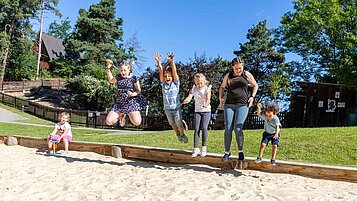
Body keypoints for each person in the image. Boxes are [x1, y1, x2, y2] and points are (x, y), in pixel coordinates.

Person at [219, 57, 258, 162]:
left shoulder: (246, 75)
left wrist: (252, 97)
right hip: (229, 104)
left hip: (242, 105)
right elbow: (222, 87)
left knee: (238, 128)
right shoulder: (228, 75)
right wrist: (221, 97)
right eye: (236, 68)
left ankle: (240, 151)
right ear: (233, 67)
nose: (238, 70)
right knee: (228, 128)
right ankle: (227, 152)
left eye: (240, 68)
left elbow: (255, 85)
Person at [153, 52, 188, 143]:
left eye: (169, 76)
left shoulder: (176, 84)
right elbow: (161, 72)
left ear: (172, 77)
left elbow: (175, 72)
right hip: (167, 109)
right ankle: (177, 134)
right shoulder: (163, 84)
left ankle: (182, 134)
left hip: (176, 108)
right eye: (166, 76)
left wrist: (172, 61)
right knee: (172, 124)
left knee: (179, 124)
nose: (167, 77)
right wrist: (158, 62)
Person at [105, 59, 147, 127]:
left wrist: (134, 94)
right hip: (119, 103)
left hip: (130, 104)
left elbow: (138, 90)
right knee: (109, 122)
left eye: (125, 70)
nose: (122, 72)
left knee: (137, 122)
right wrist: (108, 69)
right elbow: (111, 80)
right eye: (121, 70)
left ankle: (129, 114)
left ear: (129, 70)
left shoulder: (134, 78)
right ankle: (121, 115)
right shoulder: (118, 77)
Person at [182, 73, 212, 157]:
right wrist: (187, 100)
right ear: (195, 83)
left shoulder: (207, 88)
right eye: (198, 83)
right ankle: (195, 148)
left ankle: (203, 147)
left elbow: (208, 99)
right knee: (196, 128)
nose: (199, 85)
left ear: (204, 82)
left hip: (206, 111)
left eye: (201, 83)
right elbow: (190, 96)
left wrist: (206, 104)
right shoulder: (194, 88)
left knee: (204, 128)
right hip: (197, 111)